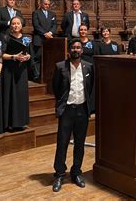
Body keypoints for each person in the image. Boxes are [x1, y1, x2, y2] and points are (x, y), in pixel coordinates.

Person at [52, 39, 94, 192]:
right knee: (62, 143)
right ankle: (59, 174)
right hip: (67, 110)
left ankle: (76, 172)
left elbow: (90, 89)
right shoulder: (60, 66)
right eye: (73, 47)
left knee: (79, 144)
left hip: (82, 110)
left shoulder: (89, 67)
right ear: (69, 50)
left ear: (82, 50)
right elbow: (55, 88)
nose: (76, 49)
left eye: (78, 47)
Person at [1, 17, 31, 131]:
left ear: (21, 25)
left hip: (22, 70)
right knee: (10, 95)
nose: (15, 25)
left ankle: (21, 122)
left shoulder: (26, 38)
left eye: (18, 23)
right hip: (9, 69)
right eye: (13, 24)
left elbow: (29, 54)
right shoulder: (5, 37)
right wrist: (14, 57)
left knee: (21, 95)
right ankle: (9, 123)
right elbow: (1, 54)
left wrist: (27, 56)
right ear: (10, 26)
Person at [31, 0, 57, 81]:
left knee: (48, 58)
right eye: (45, 4)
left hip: (49, 39)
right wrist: (45, 34)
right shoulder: (36, 13)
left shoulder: (52, 14)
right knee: (38, 58)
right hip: (39, 39)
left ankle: (47, 75)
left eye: (48, 4)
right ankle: (37, 76)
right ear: (41, 4)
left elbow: (54, 25)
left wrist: (50, 33)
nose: (47, 6)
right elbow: (36, 25)